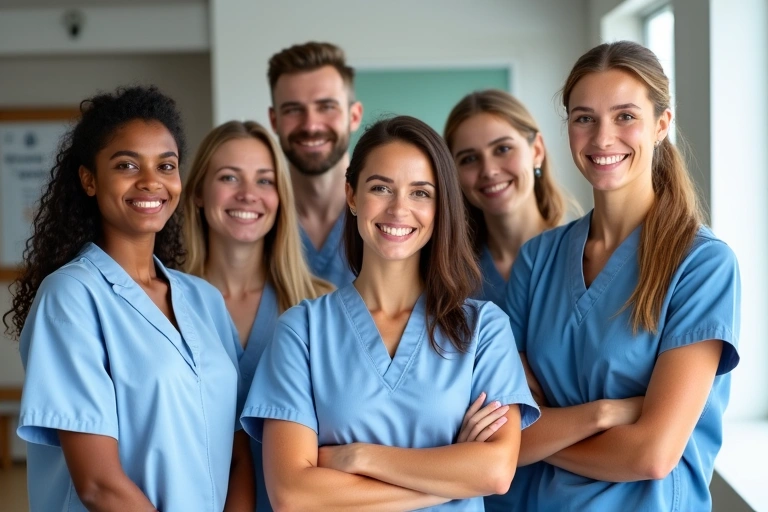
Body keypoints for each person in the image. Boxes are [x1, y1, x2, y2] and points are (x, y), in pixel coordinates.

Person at [240, 116, 540, 511]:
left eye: (421, 193)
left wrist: (358, 457)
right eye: (381, 188)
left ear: (440, 206)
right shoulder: (302, 330)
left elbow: (497, 472)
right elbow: (293, 495)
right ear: (351, 195)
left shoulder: (483, 329)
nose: (399, 209)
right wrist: (452, 476)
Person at [498, 41, 740, 512]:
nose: (603, 138)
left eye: (626, 116)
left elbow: (652, 455)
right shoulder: (538, 259)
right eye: (584, 118)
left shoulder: (701, 265)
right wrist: (607, 413)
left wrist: (543, 433)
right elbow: (505, 436)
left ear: (662, 125)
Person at [4, 86, 252, 511]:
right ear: (89, 179)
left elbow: (238, 453)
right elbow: (99, 485)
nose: (151, 181)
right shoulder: (71, 298)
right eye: (127, 164)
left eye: (166, 165)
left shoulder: (204, 300)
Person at [182, 120, 333, 511]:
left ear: (281, 197)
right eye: (230, 177)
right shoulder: (161, 305)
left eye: (265, 181)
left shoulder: (322, 306)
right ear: (198, 192)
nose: (248, 195)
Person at [444, 89, 573, 308]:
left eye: (503, 149)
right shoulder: (449, 274)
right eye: (469, 159)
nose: (489, 170)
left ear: (537, 151)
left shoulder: (579, 257)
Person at [267, 41, 363, 287]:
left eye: (326, 107)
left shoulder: (385, 216)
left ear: (354, 116)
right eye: (293, 110)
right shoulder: (256, 216)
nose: (310, 125)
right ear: (274, 120)